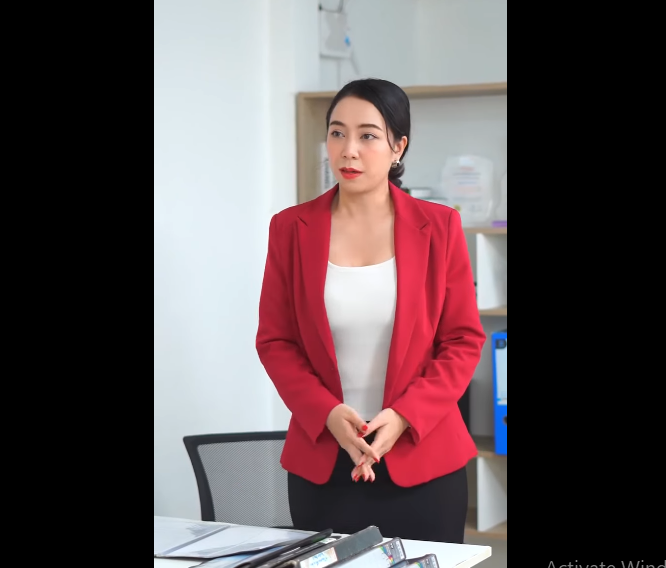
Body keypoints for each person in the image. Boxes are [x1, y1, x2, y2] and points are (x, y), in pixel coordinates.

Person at [255, 78, 486, 544]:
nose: (349, 150)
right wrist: (326, 412)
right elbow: (276, 341)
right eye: (337, 133)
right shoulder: (290, 229)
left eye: (368, 135)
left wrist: (403, 416)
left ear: (398, 146)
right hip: (324, 465)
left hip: (423, 463)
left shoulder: (440, 226)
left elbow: (463, 341)